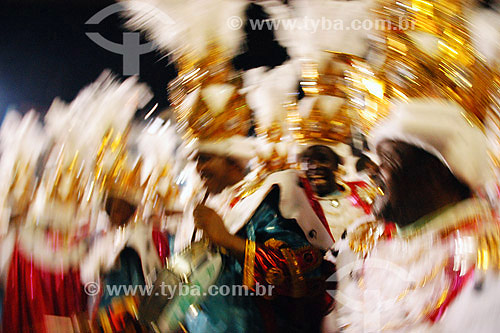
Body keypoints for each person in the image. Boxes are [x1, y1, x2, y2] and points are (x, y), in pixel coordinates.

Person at [335, 99, 500, 332]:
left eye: (387, 161)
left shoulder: (485, 261)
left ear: (435, 175)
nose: (373, 173)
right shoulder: (376, 245)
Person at [175, 136, 335, 332]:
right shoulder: (199, 204)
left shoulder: (268, 198)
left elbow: (305, 273)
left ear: (233, 161)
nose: (199, 169)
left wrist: (228, 240)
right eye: (196, 160)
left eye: (206, 158)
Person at [81, 193, 169, 332]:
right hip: (111, 308)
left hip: (137, 306)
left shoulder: (144, 236)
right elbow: (88, 274)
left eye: (121, 207)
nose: (116, 212)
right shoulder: (105, 242)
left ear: (131, 210)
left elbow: (153, 271)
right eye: (113, 208)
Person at [300, 144, 374, 242]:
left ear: (336, 166)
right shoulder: (300, 204)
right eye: (309, 162)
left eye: (323, 161)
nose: (315, 167)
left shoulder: (360, 191)